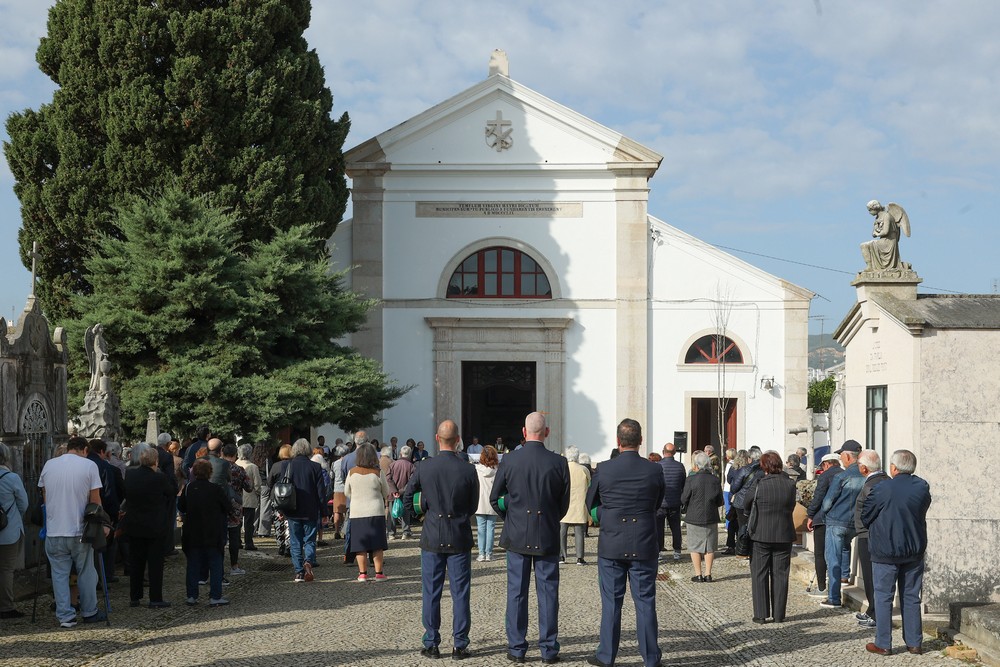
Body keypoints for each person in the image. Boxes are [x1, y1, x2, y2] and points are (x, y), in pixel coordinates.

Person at [489, 412, 570, 664]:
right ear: (546, 432)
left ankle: (516, 648)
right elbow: (564, 505)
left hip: (517, 534)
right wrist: (548, 518)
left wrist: (512, 517)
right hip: (546, 533)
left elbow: (495, 498)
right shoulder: (559, 462)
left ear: (524, 432)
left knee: (516, 593)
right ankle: (548, 649)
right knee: (548, 594)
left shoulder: (510, 460)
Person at [584, 419, 664, 667]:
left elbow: (591, 504)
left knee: (611, 603)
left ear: (618, 441)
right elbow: (658, 501)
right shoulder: (654, 469)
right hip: (643, 541)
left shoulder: (604, 468)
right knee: (645, 602)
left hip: (612, 544)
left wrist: (606, 518)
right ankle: (650, 658)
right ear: (640, 441)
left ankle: (606, 656)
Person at [403, 419, 479, 660]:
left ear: (437, 439)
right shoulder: (467, 469)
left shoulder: (424, 467)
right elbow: (473, 505)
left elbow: (407, 498)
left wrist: (421, 510)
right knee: (460, 593)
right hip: (458, 534)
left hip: (433, 534)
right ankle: (459, 644)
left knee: (431, 592)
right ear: (458, 441)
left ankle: (432, 642)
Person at [861, 449, 931, 656]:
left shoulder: (883, 487)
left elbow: (866, 515)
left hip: (885, 549)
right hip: (913, 548)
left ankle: (883, 643)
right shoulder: (921, 487)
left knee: (883, 596)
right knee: (911, 596)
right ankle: (914, 643)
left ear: (893, 468)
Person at [38, 436, 107, 627]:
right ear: (85, 449)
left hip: (54, 530)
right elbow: (95, 501)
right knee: (86, 571)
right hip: (79, 530)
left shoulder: (49, 465)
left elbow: (45, 498)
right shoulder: (89, 466)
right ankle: (89, 611)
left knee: (59, 575)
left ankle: (65, 616)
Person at [746, 451, 797, 623]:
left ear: (764, 466)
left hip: (761, 533)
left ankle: (761, 614)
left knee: (759, 573)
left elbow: (746, 501)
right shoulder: (790, 484)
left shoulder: (760, 484)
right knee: (781, 574)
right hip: (783, 532)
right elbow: (791, 505)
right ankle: (779, 614)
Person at [121, 443, 172, 608]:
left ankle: (134, 597)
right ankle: (155, 598)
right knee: (155, 564)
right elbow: (171, 492)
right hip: (155, 525)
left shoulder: (130, 476)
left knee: (136, 562)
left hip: (135, 524)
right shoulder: (159, 477)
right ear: (155, 462)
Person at [814, 439, 864, 608]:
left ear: (848, 457)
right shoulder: (866, 476)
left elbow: (827, 501)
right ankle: (845, 575)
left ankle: (834, 597)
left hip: (837, 521)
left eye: (842, 455)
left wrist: (824, 514)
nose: (841, 458)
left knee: (832, 558)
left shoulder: (842, 476)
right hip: (855, 522)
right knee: (845, 546)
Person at [269, 439, 326, 583]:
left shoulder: (287, 466)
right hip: (310, 509)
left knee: (295, 541)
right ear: (308, 450)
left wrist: (280, 510)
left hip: (292, 509)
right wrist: (324, 512)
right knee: (310, 540)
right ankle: (308, 560)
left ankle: (299, 572)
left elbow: (283, 489)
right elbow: (321, 493)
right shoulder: (315, 467)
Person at [179, 459, 229, 607]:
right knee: (215, 564)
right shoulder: (216, 489)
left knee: (193, 565)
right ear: (210, 472)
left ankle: (192, 596)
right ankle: (215, 596)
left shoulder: (189, 488)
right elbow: (227, 507)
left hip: (193, 531)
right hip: (212, 532)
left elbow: (181, 506)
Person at [854, 449, 889, 629]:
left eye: (859, 464)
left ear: (864, 468)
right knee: (873, 576)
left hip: (868, 535)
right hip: (877, 535)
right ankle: (871, 610)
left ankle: (875, 613)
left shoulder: (871, 486)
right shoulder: (885, 480)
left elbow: (868, 513)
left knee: (870, 576)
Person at [344, 443, 390, 581]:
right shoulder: (378, 472)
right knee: (377, 544)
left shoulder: (351, 472)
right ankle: (379, 573)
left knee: (360, 545)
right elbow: (386, 492)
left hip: (357, 511)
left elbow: (347, 492)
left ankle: (362, 573)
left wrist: (357, 497)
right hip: (376, 511)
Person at [680, 451, 724, 582]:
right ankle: (708, 574)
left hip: (694, 516)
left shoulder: (691, 479)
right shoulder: (715, 480)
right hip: (710, 515)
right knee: (710, 547)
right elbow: (720, 501)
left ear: (696, 465)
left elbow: (683, 498)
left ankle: (698, 574)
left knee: (694, 546)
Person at [805, 453, 844, 593]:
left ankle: (822, 587)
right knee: (840, 551)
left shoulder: (825, 476)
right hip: (842, 518)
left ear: (827, 464)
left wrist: (810, 515)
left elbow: (818, 497)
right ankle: (842, 579)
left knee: (820, 553)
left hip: (823, 518)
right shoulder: (846, 474)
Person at [0, 442, 29, 620]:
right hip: (8, 530)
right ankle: (5, 606)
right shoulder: (11, 478)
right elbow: (24, 504)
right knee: (5, 570)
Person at [222, 444, 253, 576]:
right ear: (235, 455)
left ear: (222, 454)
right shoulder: (239, 470)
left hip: (220, 505)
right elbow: (249, 487)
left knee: (220, 537)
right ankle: (234, 566)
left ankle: (218, 567)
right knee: (234, 537)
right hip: (235, 506)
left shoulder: (217, 467)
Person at [559, 445, 591, 565]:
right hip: (579, 502)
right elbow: (589, 485)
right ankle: (580, 557)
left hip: (565, 503)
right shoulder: (583, 469)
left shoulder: (563, 468)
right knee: (579, 532)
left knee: (562, 531)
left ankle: (562, 556)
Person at [656, 442, 686, 562]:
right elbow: (683, 484)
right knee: (676, 528)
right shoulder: (680, 466)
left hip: (661, 503)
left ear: (663, 451)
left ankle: (658, 552)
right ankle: (677, 551)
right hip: (675, 502)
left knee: (659, 529)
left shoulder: (658, 466)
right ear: (674, 453)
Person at [860, 200, 910, 271]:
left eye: (870, 210)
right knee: (863, 245)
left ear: (875, 208)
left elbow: (885, 232)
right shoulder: (877, 218)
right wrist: (875, 233)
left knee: (864, 245)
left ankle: (870, 267)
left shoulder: (887, 216)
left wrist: (877, 234)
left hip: (889, 242)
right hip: (883, 240)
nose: (869, 212)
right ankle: (869, 266)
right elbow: (875, 231)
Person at [473, 445, 499, 561]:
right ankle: (489, 553)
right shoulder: (497, 469)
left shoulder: (476, 469)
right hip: (492, 501)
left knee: (481, 528)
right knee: (491, 528)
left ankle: (481, 553)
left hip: (480, 500)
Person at [235, 444, 262, 551]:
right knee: (249, 523)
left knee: (237, 521)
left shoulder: (235, 464)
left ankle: (237, 541)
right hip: (250, 497)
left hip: (237, 497)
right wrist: (258, 493)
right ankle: (248, 542)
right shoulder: (253, 467)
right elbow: (257, 484)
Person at [387, 444, 416, 540]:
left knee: (392, 514)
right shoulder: (411, 466)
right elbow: (412, 482)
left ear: (400, 453)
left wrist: (395, 491)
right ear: (409, 454)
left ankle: (391, 533)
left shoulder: (392, 464)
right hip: (405, 493)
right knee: (406, 513)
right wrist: (402, 491)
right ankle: (406, 532)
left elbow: (388, 479)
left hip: (393, 493)